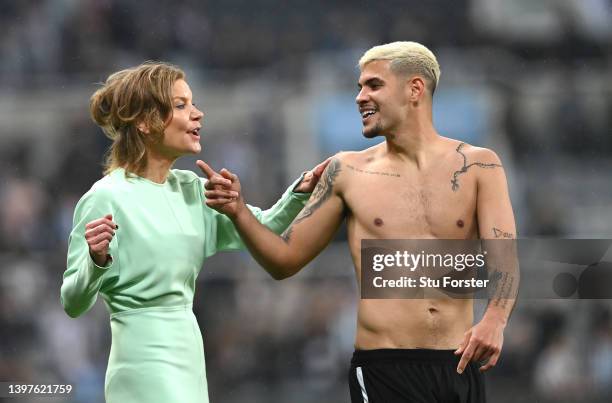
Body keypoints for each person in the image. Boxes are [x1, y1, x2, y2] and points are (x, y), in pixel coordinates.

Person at [203, 42, 518, 402]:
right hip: (384, 368)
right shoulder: (345, 171)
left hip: (460, 365)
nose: (360, 97)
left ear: (415, 89)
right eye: (359, 88)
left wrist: (495, 318)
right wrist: (239, 211)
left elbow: (504, 260)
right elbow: (283, 260)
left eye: (373, 85)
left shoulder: (481, 165)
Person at [60, 61, 327, 403]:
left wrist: (299, 191)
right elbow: (73, 302)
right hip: (142, 362)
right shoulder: (105, 197)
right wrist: (96, 261)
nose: (198, 114)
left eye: (194, 103)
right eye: (182, 105)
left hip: (189, 353)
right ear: (144, 122)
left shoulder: (192, 189)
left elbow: (264, 229)